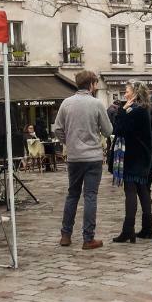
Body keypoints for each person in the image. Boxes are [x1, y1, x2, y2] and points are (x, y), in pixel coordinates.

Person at [54, 70, 113, 250]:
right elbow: (109, 130)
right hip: (93, 157)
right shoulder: (96, 104)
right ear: (91, 85)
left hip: (74, 157)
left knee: (72, 194)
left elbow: (57, 129)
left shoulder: (66, 103)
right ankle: (88, 238)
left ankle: (66, 234)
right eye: (95, 84)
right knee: (90, 196)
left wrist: (69, 141)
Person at [111, 81, 152, 242]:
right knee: (143, 190)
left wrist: (121, 110)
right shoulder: (142, 110)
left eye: (127, 91)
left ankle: (128, 230)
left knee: (131, 191)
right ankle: (148, 228)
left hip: (133, 156)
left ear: (134, 93)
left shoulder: (135, 111)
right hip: (142, 156)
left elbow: (119, 129)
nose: (125, 93)